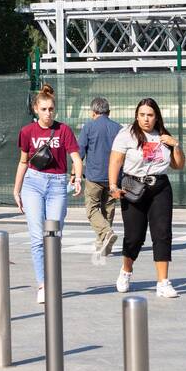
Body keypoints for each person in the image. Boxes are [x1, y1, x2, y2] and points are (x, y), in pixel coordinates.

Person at [108, 98, 185, 299]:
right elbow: (116, 160)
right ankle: (126, 271)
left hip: (159, 187)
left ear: (156, 116)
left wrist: (175, 145)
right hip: (133, 187)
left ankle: (163, 282)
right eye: (142, 115)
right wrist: (113, 186)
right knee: (134, 237)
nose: (146, 119)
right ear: (136, 116)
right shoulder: (126, 135)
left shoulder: (163, 136)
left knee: (162, 234)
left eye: (150, 115)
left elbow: (178, 165)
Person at [14, 83, 82, 305]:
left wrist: (77, 177)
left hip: (57, 183)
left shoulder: (64, 130)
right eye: (43, 109)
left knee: (54, 235)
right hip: (33, 182)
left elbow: (76, 157)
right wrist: (17, 189)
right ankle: (43, 284)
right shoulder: (27, 132)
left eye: (51, 109)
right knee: (36, 237)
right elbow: (23, 162)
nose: (48, 113)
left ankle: (53, 281)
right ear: (35, 109)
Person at [78, 96, 121, 261]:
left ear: (93, 112)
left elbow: (80, 151)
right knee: (108, 208)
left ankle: (105, 233)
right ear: (108, 112)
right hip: (113, 178)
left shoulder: (88, 127)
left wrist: (75, 173)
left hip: (94, 176)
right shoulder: (118, 128)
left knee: (92, 209)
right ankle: (104, 243)